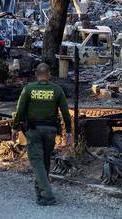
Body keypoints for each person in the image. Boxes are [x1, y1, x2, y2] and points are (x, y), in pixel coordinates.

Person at [12, 63, 72, 206]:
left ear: (36, 75)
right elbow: (65, 112)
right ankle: (40, 192)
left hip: (33, 131)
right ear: (49, 74)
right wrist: (68, 131)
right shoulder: (57, 90)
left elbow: (19, 111)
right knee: (44, 161)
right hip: (50, 131)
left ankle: (47, 195)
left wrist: (15, 128)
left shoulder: (29, 89)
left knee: (37, 162)